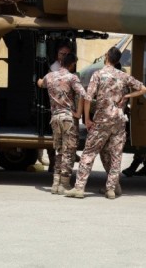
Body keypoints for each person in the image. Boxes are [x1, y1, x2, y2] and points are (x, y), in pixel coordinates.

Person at [66, 47, 146, 200]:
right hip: (118, 121)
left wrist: (87, 119)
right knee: (116, 156)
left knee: (88, 153)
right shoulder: (124, 76)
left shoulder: (98, 75)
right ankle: (111, 190)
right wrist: (128, 95)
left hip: (102, 121)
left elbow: (88, 98)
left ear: (107, 57)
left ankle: (79, 188)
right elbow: (143, 88)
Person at [37, 52, 86, 194]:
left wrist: (38, 79)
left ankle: (55, 183)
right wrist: (78, 113)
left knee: (59, 151)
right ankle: (64, 184)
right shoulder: (72, 77)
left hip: (55, 119)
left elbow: (41, 83)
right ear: (71, 65)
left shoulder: (50, 76)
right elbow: (84, 94)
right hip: (68, 119)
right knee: (69, 152)